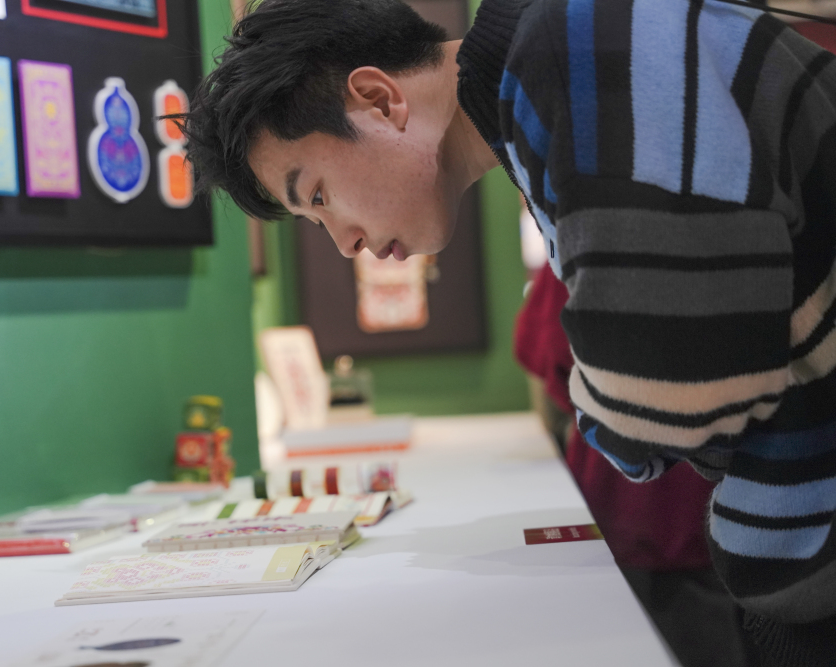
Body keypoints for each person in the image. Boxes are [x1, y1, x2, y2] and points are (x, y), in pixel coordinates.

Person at [177, 0, 836, 663]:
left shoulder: (574, 46)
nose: (344, 242)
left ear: (378, 101)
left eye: (318, 196)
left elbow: (657, 402)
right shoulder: (543, 96)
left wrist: (615, 402)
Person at [515, 264, 757, 667]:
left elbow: (544, 351)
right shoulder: (747, 235)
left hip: (617, 500)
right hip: (727, 498)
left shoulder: (581, 244)